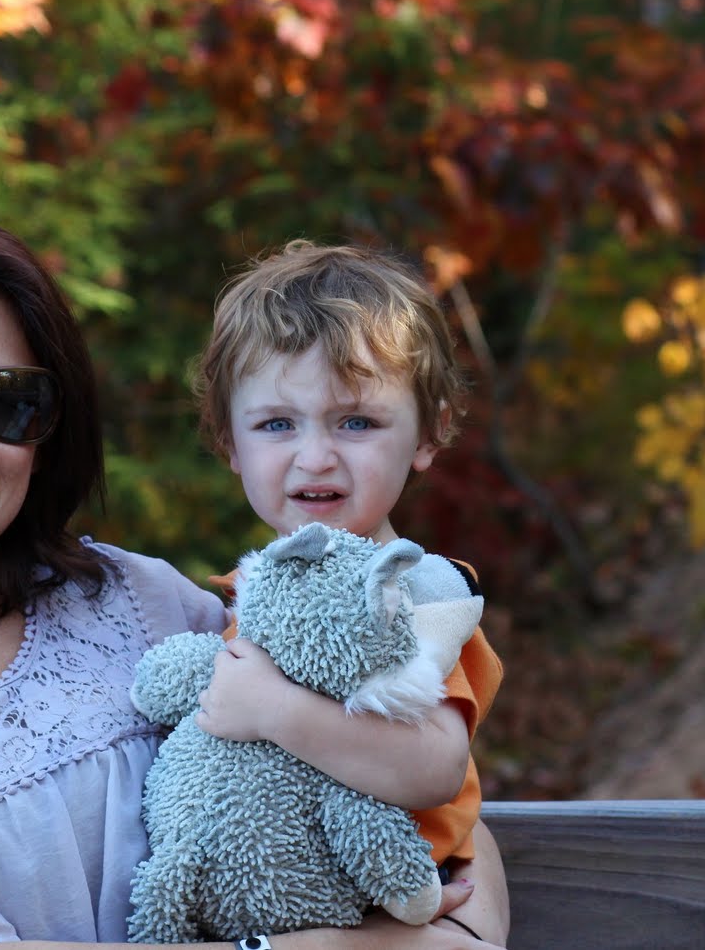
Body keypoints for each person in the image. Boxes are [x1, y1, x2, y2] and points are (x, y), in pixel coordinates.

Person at [0, 210, 501, 949]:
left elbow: (408, 776)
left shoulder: (134, 600)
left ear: (44, 437)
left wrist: (470, 929)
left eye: (8, 401)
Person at [189, 240, 511, 946]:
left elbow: (434, 767)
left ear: (428, 432)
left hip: (391, 906)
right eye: (277, 424)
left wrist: (273, 709)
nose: (315, 457)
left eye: (356, 422)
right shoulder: (251, 592)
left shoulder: (419, 596)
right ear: (230, 443)